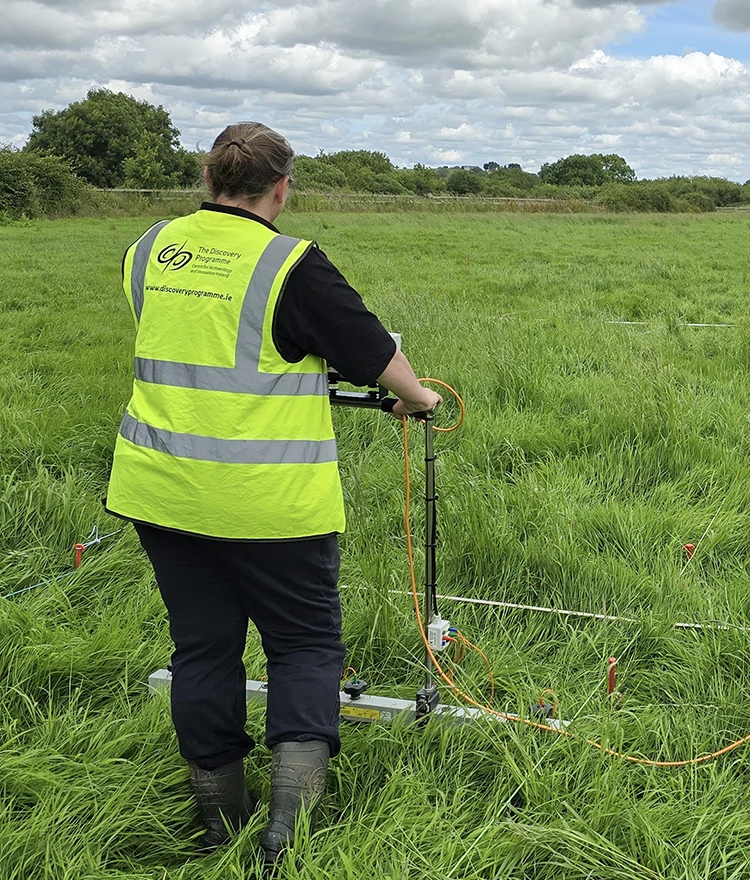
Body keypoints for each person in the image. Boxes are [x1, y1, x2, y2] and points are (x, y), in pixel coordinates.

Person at [104, 121, 442, 868]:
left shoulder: (149, 248)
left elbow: (211, 351)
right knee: (304, 646)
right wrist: (416, 398)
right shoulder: (289, 262)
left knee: (202, 648)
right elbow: (374, 351)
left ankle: (218, 815)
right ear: (283, 188)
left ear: (208, 180)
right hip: (270, 503)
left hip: (160, 493)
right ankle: (287, 824)